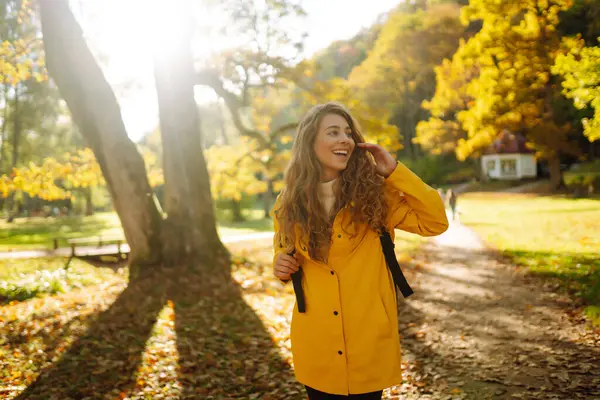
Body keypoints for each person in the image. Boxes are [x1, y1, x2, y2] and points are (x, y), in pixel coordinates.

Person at [270, 102, 449, 399]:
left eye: (349, 133)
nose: (345, 139)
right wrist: (279, 262)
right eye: (333, 132)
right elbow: (282, 249)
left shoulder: (376, 195)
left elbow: (435, 222)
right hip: (316, 343)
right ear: (309, 143)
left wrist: (394, 172)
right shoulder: (288, 202)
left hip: (367, 342)